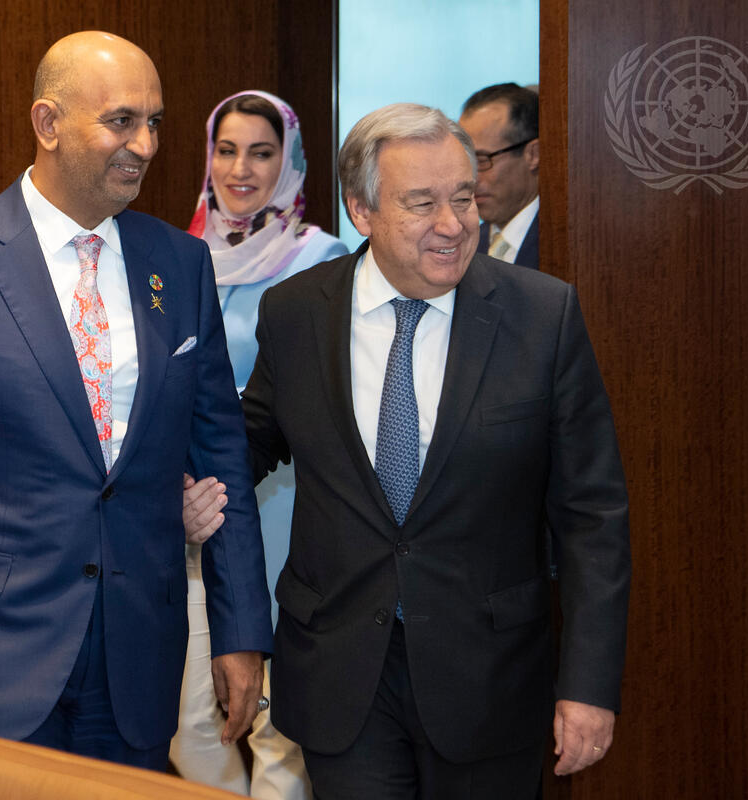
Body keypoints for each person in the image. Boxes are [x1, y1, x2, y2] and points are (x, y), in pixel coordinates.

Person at [0, 31, 273, 771]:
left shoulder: (181, 263)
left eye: (155, 123)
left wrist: (240, 630)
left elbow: (222, 454)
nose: (145, 145)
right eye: (121, 121)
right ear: (48, 122)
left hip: (136, 657)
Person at [239, 103, 631, 798]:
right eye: (422, 204)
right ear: (361, 210)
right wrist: (180, 486)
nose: (453, 224)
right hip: (341, 673)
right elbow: (250, 442)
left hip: (489, 679)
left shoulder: (544, 316)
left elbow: (592, 516)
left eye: (464, 198)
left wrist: (589, 686)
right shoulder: (296, 312)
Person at [170, 91, 348, 799]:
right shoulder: (175, 256)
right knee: (191, 724)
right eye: (227, 149)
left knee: (279, 727)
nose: (240, 169)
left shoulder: (322, 259)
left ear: (290, 161)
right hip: (189, 515)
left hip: (281, 508)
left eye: (261, 152)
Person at [459, 83, 540, 268]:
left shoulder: (568, 242)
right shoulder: (463, 247)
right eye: (465, 161)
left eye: (482, 160)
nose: (471, 179)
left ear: (533, 154)